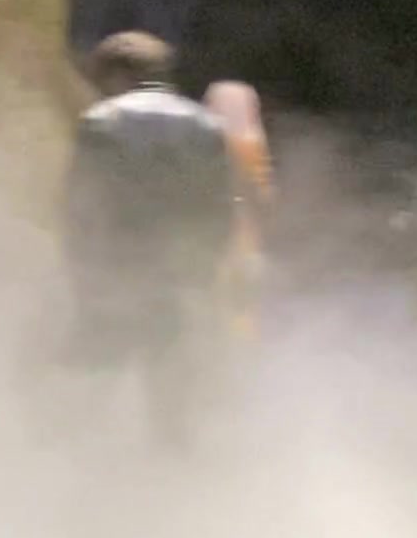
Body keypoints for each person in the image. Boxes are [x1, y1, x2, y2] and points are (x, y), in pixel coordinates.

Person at [60, 32, 235, 449]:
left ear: (117, 74)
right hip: (180, 269)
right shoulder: (207, 124)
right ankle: (170, 458)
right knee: (171, 370)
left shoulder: (100, 121)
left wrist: (80, 266)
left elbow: (82, 205)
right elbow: (219, 207)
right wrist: (208, 265)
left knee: (101, 370)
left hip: (115, 263)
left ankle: (91, 459)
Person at [202, 81, 276, 340]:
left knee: (216, 294)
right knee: (242, 298)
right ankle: (241, 347)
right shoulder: (251, 142)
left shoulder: (205, 140)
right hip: (242, 232)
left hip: (212, 231)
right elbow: (263, 194)